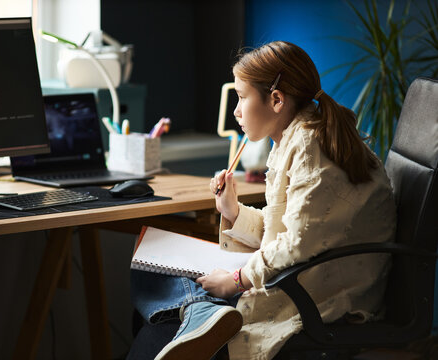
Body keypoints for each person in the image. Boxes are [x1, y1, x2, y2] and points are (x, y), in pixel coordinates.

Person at [126, 41, 396, 360]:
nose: (237, 110)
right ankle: (199, 311)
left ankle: (199, 312)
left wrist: (236, 281)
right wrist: (234, 210)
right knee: (149, 269)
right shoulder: (292, 138)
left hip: (315, 295)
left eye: (242, 97)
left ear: (276, 100)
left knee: (158, 306)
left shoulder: (311, 150)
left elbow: (296, 245)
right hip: (298, 275)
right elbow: (285, 228)